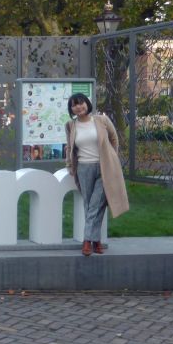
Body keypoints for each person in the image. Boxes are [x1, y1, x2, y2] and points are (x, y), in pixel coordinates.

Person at [64, 93, 129, 256]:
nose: (78, 107)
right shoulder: (71, 125)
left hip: (104, 168)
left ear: (87, 103)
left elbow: (114, 139)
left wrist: (111, 158)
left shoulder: (101, 120)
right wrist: (69, 165)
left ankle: (87, 241)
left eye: (81, 103)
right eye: (74, 105)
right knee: (90, 205)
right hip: (83, 169)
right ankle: (96, 241)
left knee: (95, 204)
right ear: (71, 109)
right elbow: (69, 147)